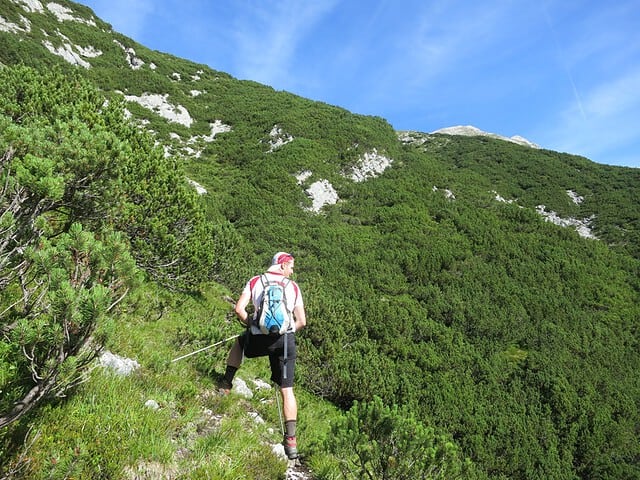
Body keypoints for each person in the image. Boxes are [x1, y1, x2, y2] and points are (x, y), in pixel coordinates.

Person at [219, 252, 307, 460]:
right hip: (285, 342)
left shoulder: (255, 281)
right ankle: (291, 440)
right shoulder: (293, 287)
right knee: (287, 389)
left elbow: (239, 309)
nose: (292, 271)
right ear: (283, 265)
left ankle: (226, 384)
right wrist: (286, 331)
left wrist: (253, 325)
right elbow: (301, 321)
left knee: (240, 343)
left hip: (259, 338)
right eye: (291, 266)